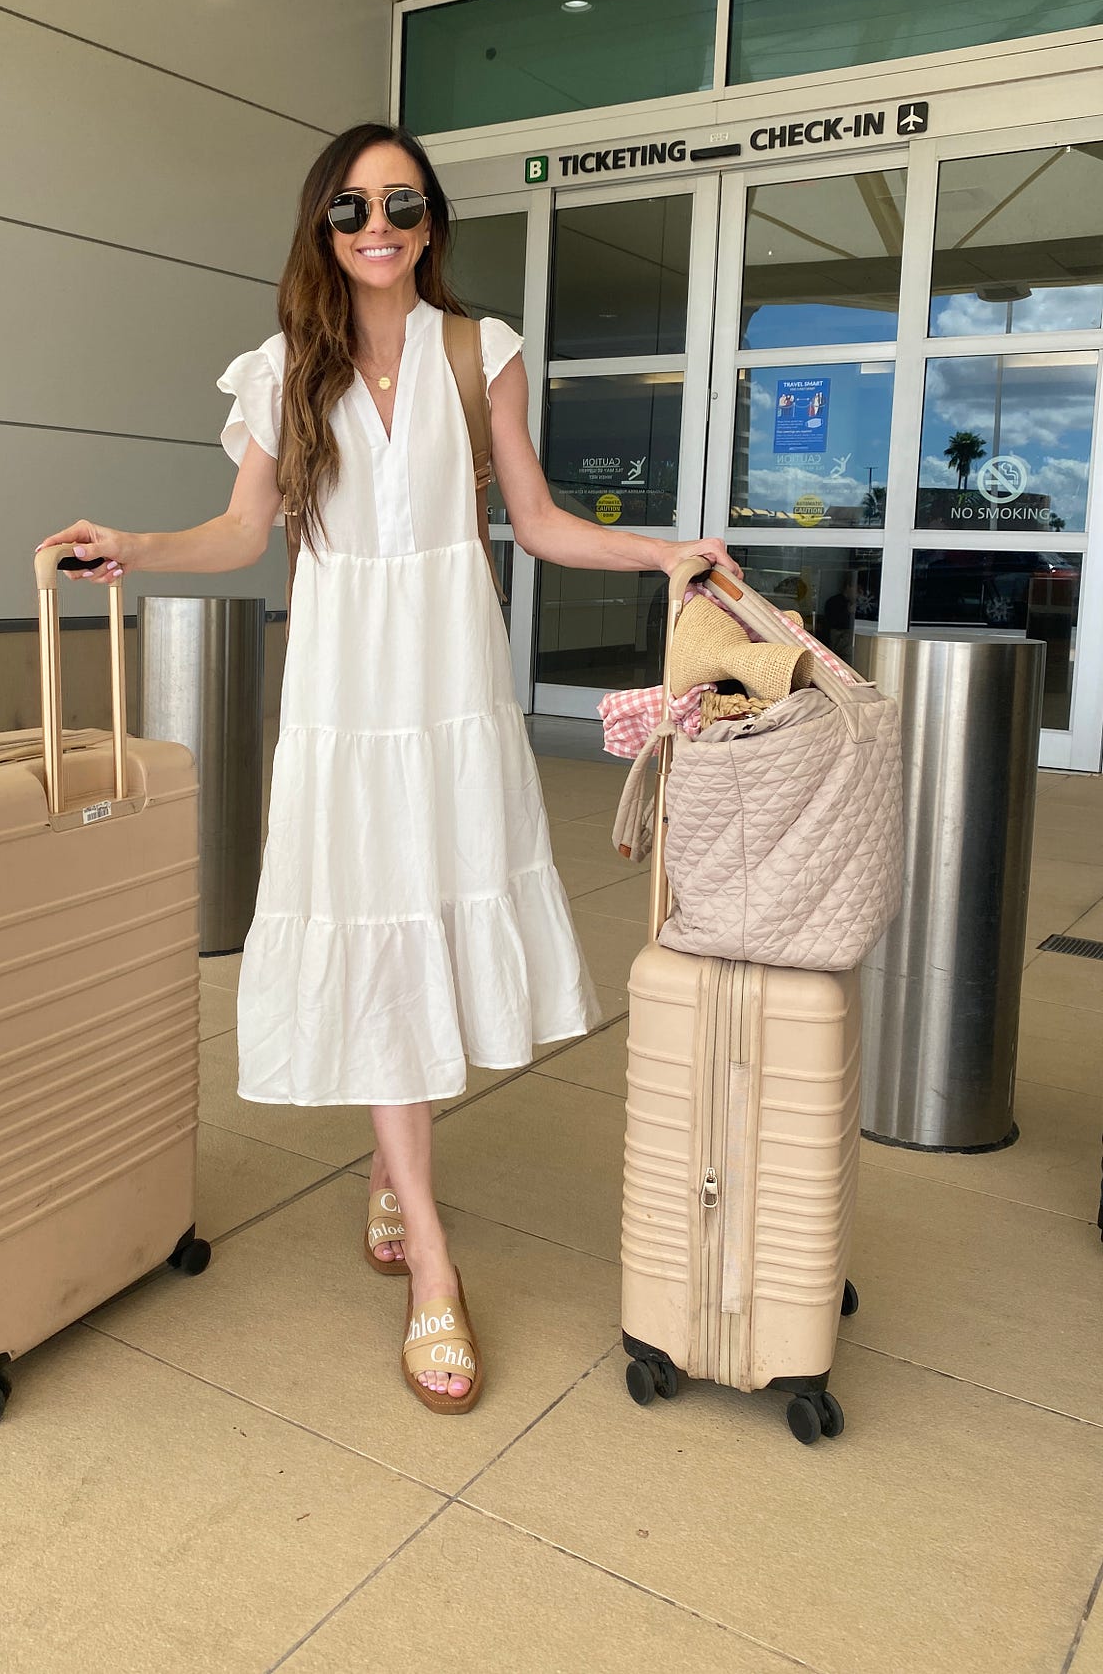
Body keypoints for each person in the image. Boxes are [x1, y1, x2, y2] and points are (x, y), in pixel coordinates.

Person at [38, 122, 739, 1414]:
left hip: (449, 681)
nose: (378, 226)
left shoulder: (482, 350)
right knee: (371, 914)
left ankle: (390, 1171)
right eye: (354, 206)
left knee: (424, 915)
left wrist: (662, 555)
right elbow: (244, 530)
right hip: (344, 689)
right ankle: (433, 1259)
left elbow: (536, 520)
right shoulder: (280, 369)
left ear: (430, 224)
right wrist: (135, 543)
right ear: (324, 225)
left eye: (402, 204)